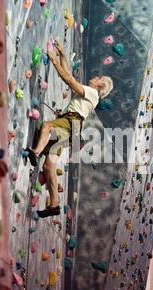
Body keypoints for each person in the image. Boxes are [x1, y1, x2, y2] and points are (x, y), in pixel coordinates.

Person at [26, 40, 113, 217]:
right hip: (73, 128)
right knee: (49, 165)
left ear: (100, 85)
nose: (95, 77)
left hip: (71, 122)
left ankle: (35, 152)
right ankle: (54, 204)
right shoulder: (89, 93)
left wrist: (54, 60)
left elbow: (67, 79)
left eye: (98, 78)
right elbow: (69, 76)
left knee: (47, 126)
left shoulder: (92, 92)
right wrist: (62, 54)